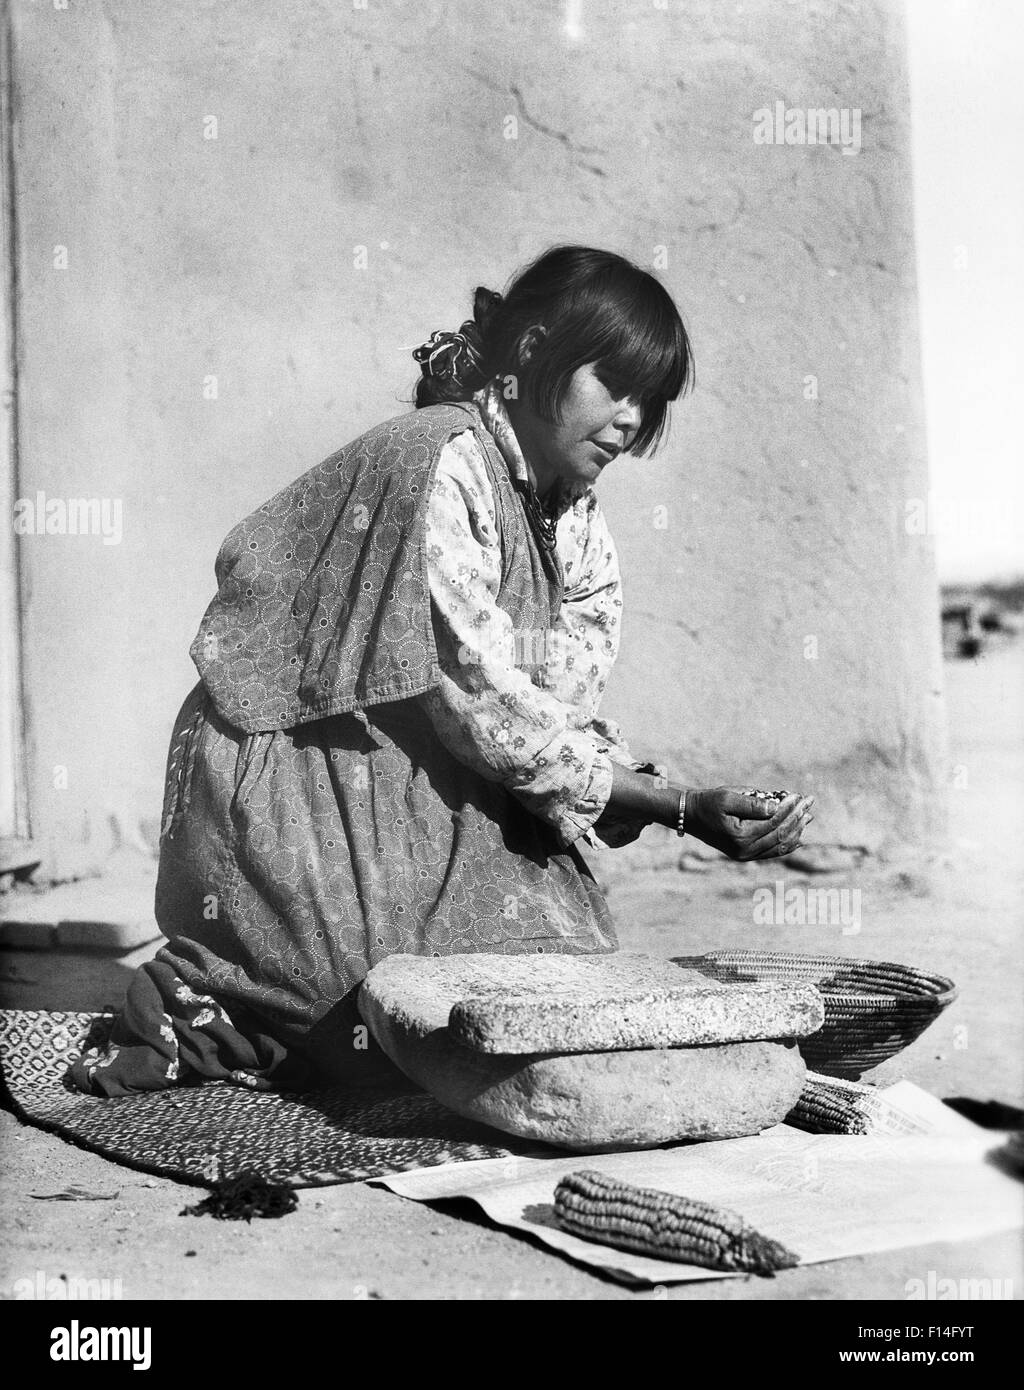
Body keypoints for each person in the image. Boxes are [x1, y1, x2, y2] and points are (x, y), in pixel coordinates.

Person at [69, 246, 813, 1097]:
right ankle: (212, 1001)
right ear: (533, 353)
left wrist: (646, 787)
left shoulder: (574, 522)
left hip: (422, 764)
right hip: (297, 766)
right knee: (348, 1013)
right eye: (614, 383)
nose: (630, 420)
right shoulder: (438, 463)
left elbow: (547, 714)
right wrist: (677, 808)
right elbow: (478, 700)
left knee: (534, 989)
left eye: (651, 401)